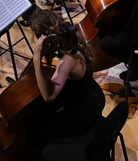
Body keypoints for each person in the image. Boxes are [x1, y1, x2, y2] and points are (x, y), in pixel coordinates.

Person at [26, 9, 105, 147]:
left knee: (35, 133)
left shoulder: (67, 59)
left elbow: (49, 96)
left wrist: (37, 61)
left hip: (84, 114)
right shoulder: (73, 39)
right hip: (94, 96)